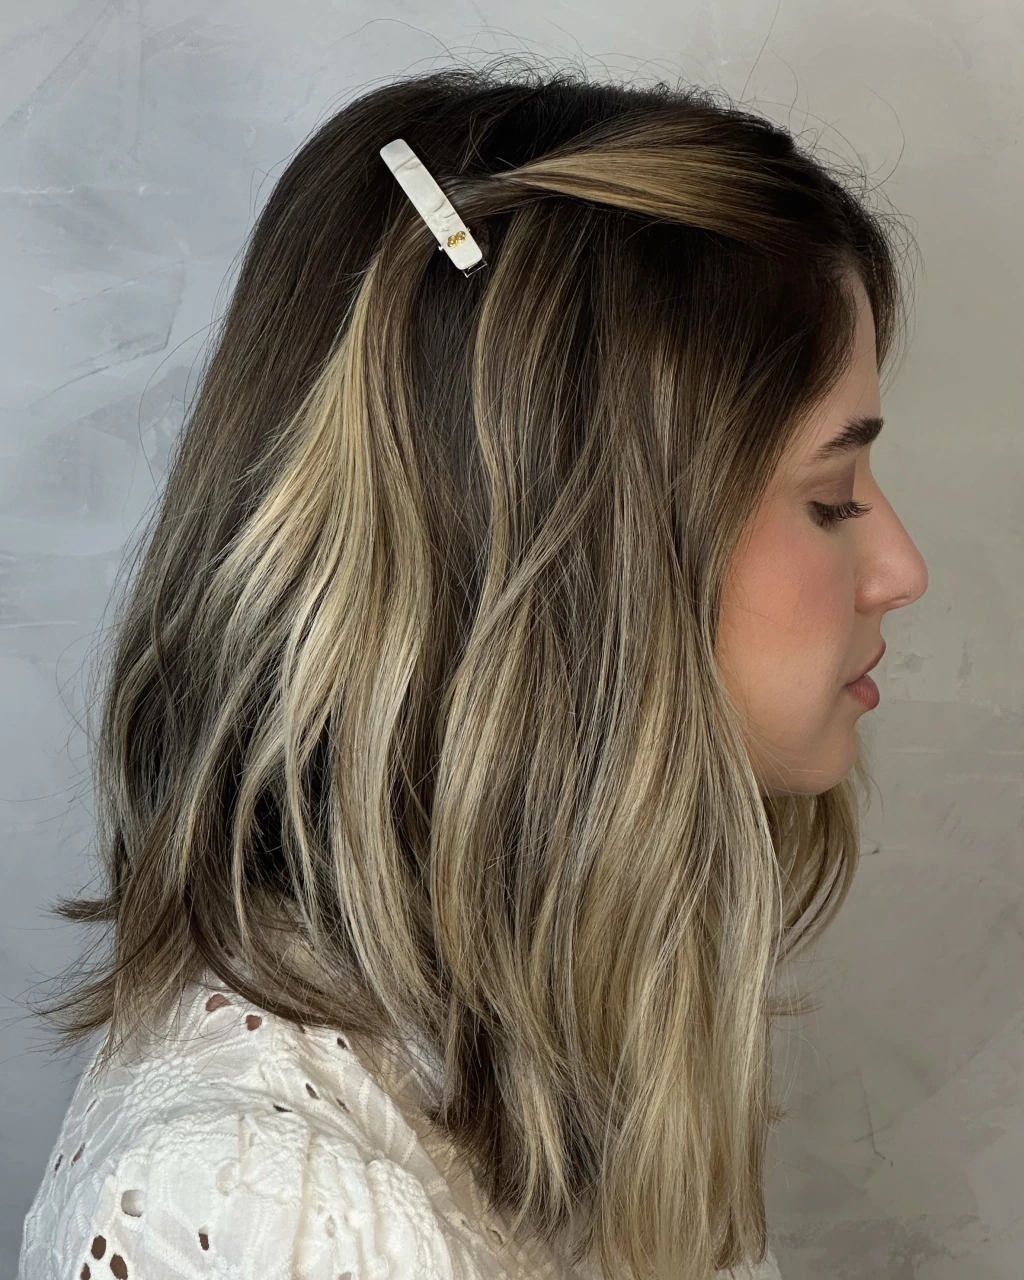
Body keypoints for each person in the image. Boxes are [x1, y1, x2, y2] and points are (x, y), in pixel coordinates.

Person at [18, 60, 928, 1280]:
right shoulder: (268, 1214)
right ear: (576, 573)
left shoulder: (553, 1037)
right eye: (832, 494)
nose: (900, 569)